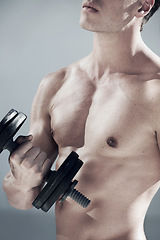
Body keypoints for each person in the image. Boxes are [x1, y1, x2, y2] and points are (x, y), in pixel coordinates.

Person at [3, 0, 160, 239]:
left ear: (143, 5)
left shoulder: (155, 92)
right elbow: (21, 200)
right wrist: (21, 179)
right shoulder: (56, 84)